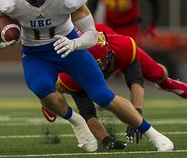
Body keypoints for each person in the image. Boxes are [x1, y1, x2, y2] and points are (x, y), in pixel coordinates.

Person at [0, 0, 173, 152]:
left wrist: (75, 44)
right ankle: (77, 122)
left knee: (102, 96)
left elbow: (91, 34)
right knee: (41, 88)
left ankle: (154, 134)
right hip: (35, 52)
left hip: (69, 45)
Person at [42, 23, 187, 145]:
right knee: (54, 86)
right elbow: (87, 111)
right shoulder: (71, 75)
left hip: (113, 44)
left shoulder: (122, 46)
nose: (103, 69)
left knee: (159, 74)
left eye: (102, 63)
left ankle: (166, 83)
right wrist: (105, 141)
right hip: (73, 58)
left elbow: (135, 81)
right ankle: (46, 103)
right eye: (97, 65)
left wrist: (137, 115)